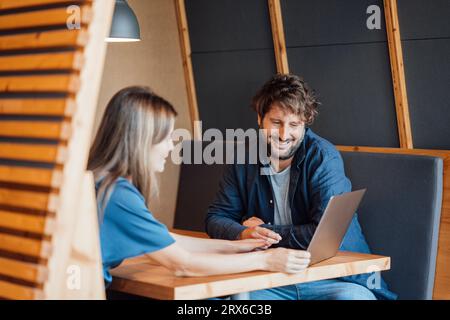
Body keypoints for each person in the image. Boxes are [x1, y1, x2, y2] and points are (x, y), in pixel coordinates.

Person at [88, 86, 311, 290]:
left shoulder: (102, 183)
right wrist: (267, 260)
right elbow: (184, 265)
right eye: (166, 138)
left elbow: (169, 240)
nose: (170, 147)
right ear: (140, 140)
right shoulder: (117, 194)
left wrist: (239, 246)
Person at [205, 74, 397, 300]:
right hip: (270, 280)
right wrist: (244, 232)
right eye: (276, 123)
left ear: (305, 122)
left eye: (294, 125)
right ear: (260, 118)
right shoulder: (244, 158)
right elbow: (216, 217)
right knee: (228, 300)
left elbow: (322, 235)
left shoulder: (323, 158)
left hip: (331, 279)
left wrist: (265, 231)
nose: (285, 135)